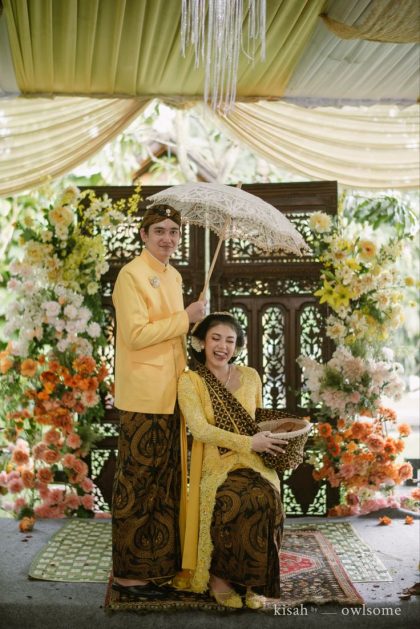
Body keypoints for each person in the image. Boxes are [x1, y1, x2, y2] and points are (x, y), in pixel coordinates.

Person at [111, 204, 206, 597]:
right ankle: (128, 573)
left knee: (165, 484)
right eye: (160, 231)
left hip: (173, 392)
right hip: (143, 395)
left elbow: (171, 334)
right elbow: (135, 335)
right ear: (144, 235)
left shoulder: (174, 275)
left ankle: (157, 567)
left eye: (174, 232)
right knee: (137, 483)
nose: (168, 239)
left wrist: (195, 322)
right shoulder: (131, 275)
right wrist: (185, 317)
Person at [177, 312, 286, 609]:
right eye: (215, 338)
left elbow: (259, 421)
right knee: (232, 499)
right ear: (201, 342)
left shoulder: (251, 376)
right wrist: (249, 442)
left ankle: (252, 582)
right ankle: (219, 579)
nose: (222, 346)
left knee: (265, 498)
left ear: (236, 347)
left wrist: (277, 438)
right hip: (216, 465)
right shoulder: (190, 381)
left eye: (230, 341)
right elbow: (200, 429)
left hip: (255, 462)